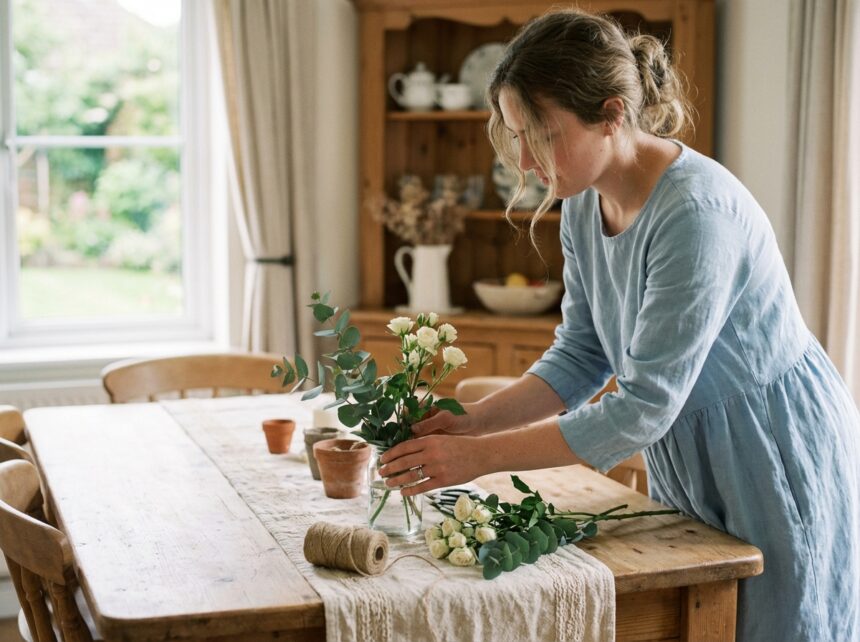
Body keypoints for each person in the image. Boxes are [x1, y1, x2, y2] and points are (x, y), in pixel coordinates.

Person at [377, 8, 860, 642]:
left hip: (770, 451)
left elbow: (641, 408)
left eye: (542, 134)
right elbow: (580, 355)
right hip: (691, 449)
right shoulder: (582, 201)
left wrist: (477, 458)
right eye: (516, 133)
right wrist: (471, 423)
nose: (524, 160)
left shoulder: (696, 213)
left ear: (610, 115)